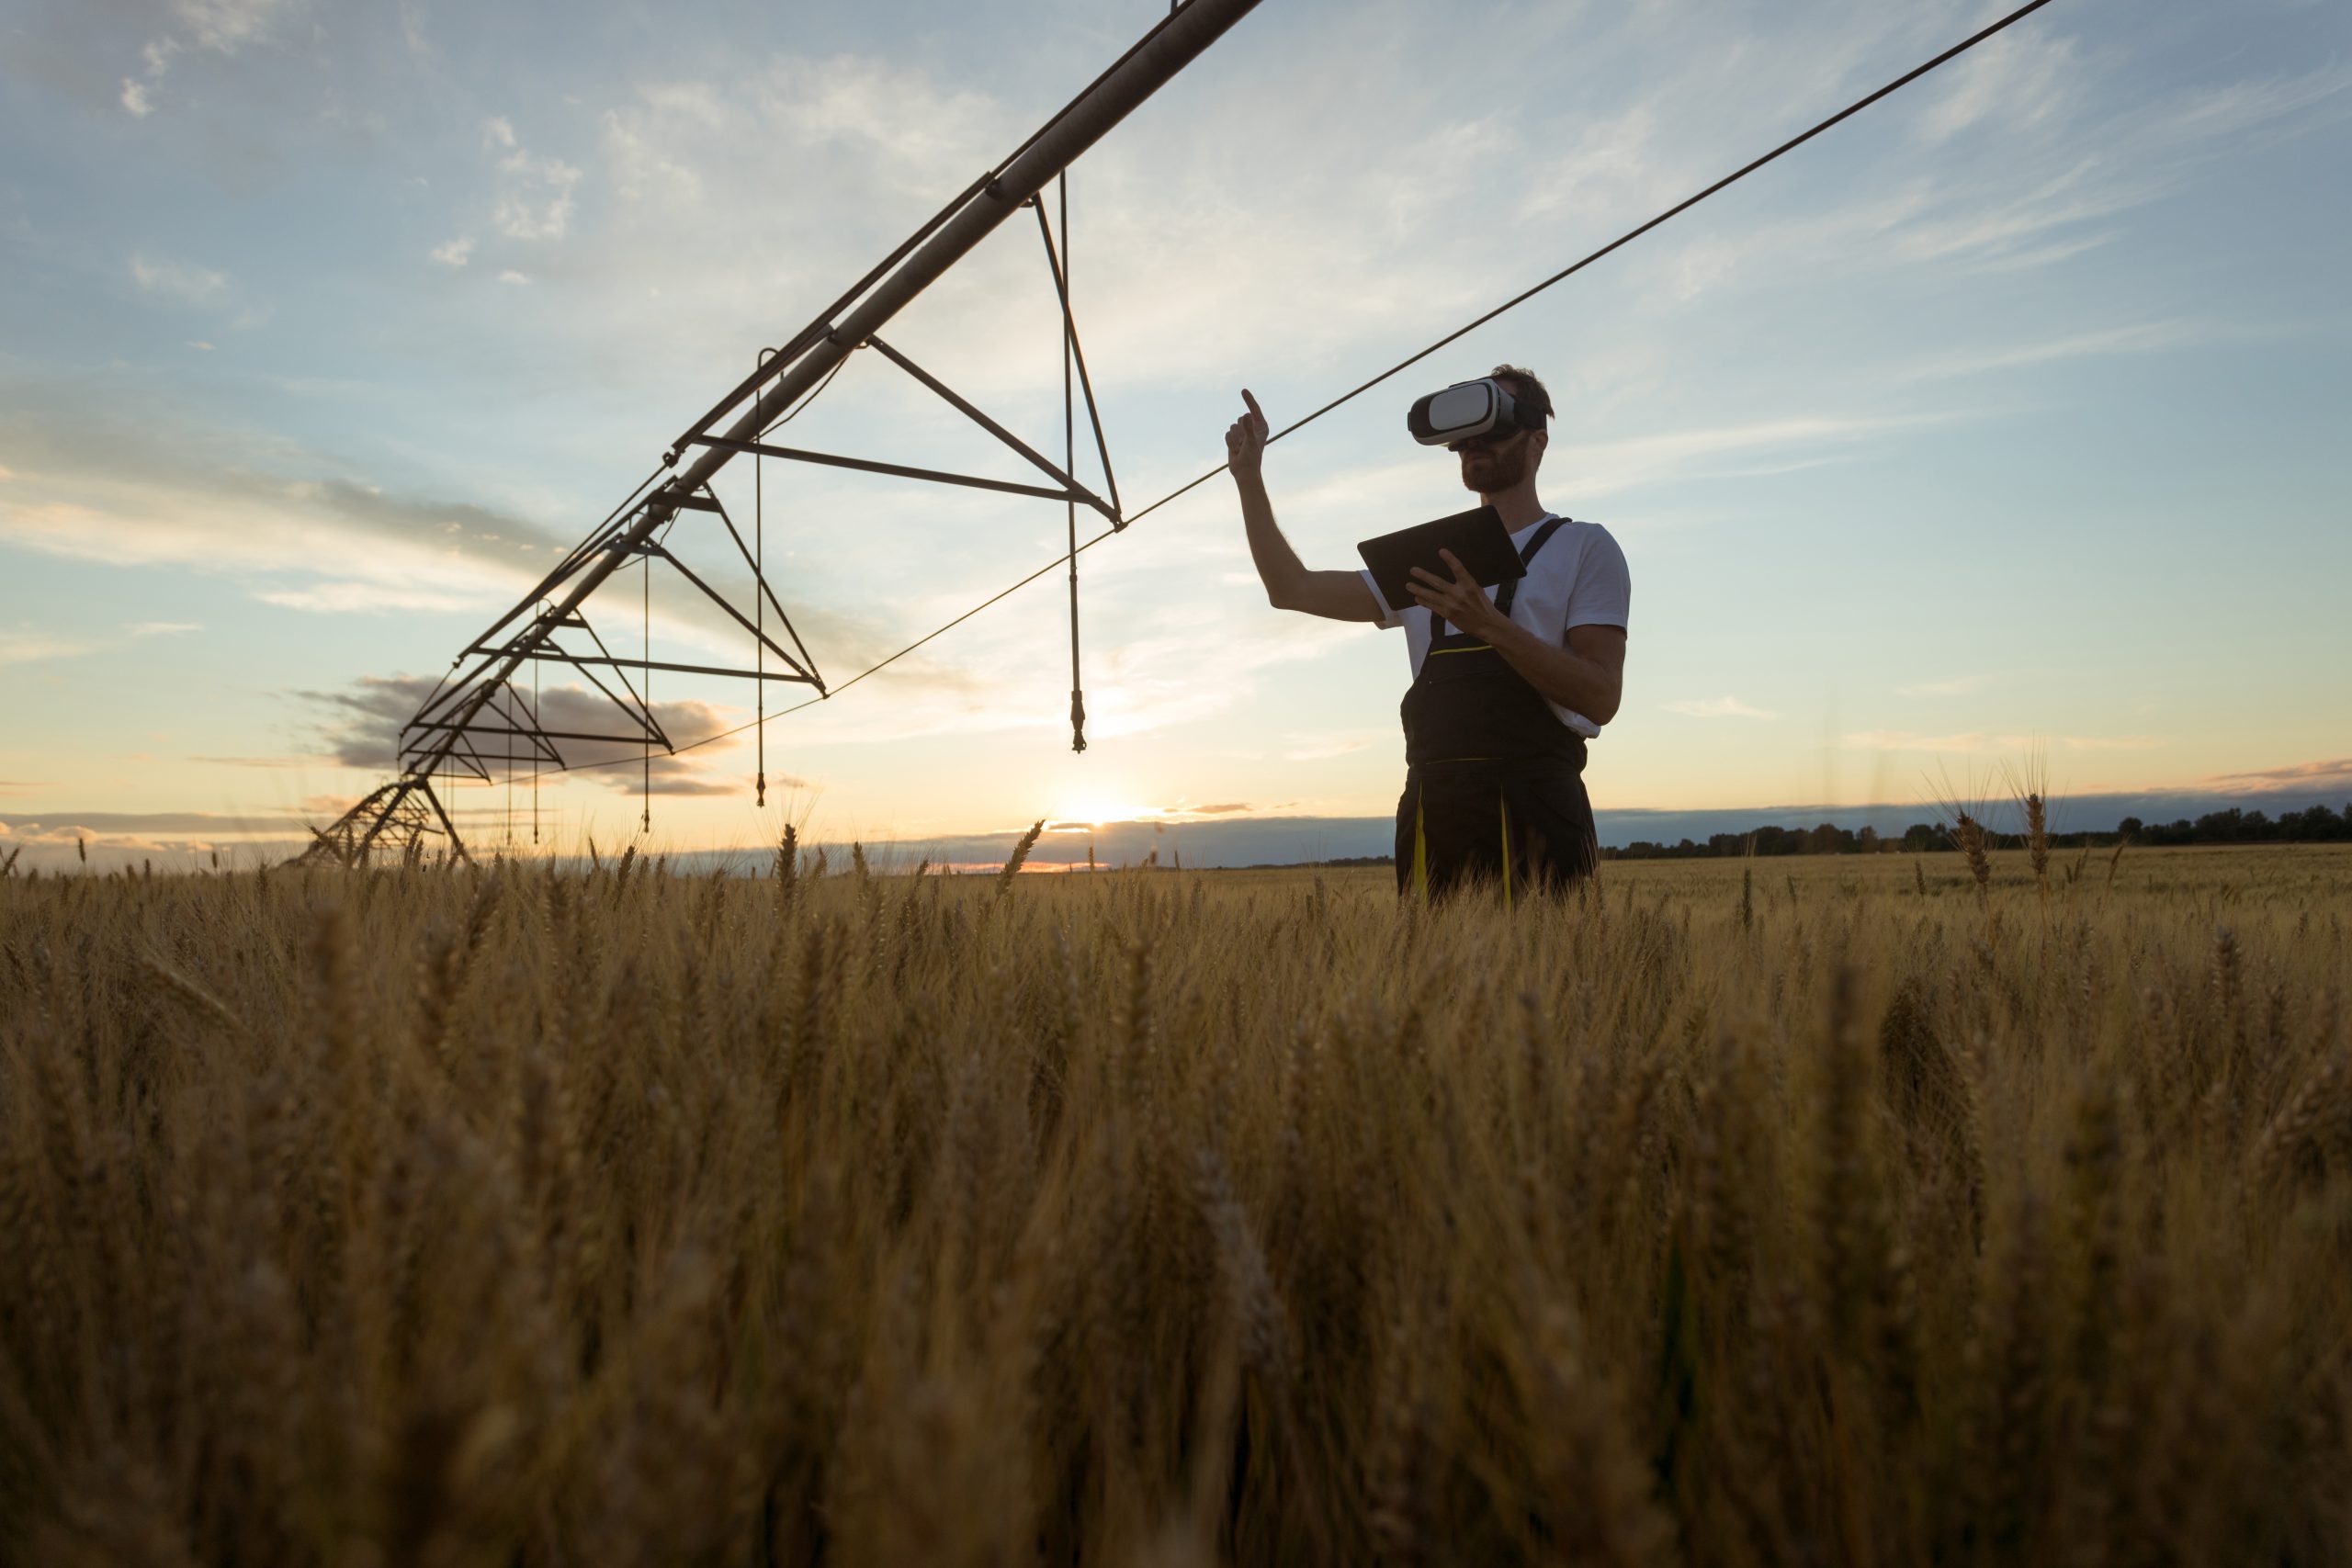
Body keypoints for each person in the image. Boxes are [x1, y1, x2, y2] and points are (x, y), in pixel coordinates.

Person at [1226, 366, 1629, 900]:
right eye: (1464, 436)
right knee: (1435, 983)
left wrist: (1489, 624)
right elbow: (1291, 588)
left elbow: (1600, 696)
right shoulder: (1430, 559)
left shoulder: (1584, 546)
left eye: (1494, 427)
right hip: (1433, 813)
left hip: (1540, 812)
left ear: (1538, 441)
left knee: (1546, 979)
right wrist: (1249, 479)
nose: (1473, 445)